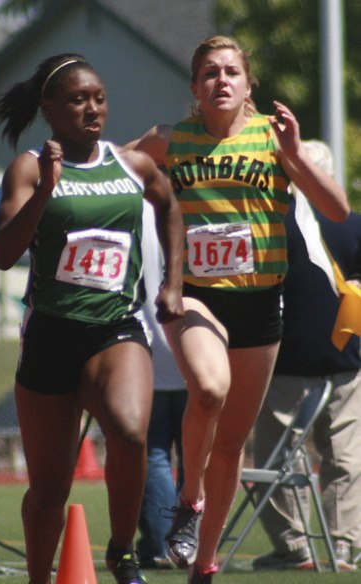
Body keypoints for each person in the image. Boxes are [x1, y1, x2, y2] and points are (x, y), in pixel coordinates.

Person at [126, 35, 350, 584]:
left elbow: (337, 210)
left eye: (231, 72)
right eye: (208, 72)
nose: (220, 80)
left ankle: (204, 563)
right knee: (208, 389)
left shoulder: (272, 140)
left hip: (258, 302)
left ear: (249, 85)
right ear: (194, 86)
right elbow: (107, 172)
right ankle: (189, 496)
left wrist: (294, 154)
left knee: (230, 448)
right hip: (196, 295)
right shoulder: (168, 140)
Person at [0, 53, 185, 584]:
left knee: (128, 430)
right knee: (50, 489)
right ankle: (39, 576)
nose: (92, 108)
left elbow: (170, 206)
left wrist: (172, 283)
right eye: (78, 100)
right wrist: (47, 190)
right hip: (52, 332)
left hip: (115, 326)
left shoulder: (131, 165)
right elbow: (4, 252)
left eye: (98, 98)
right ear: (49, 108)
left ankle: (123, 550)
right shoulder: (30, 168)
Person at [252, 140, 361, 572]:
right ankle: (343, 546)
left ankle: (294, 547)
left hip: (284, 359)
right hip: (346, 357)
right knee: (346, 457)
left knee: (278, 456)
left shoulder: (273, 223)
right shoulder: (353, 225)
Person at [137, 200, 187, 570]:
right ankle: (188, 543)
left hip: (145, 350)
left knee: (152, 453)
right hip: (192, 349)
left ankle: (159, 544)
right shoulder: (194, 199)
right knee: (194, 457)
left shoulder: (131, 203)